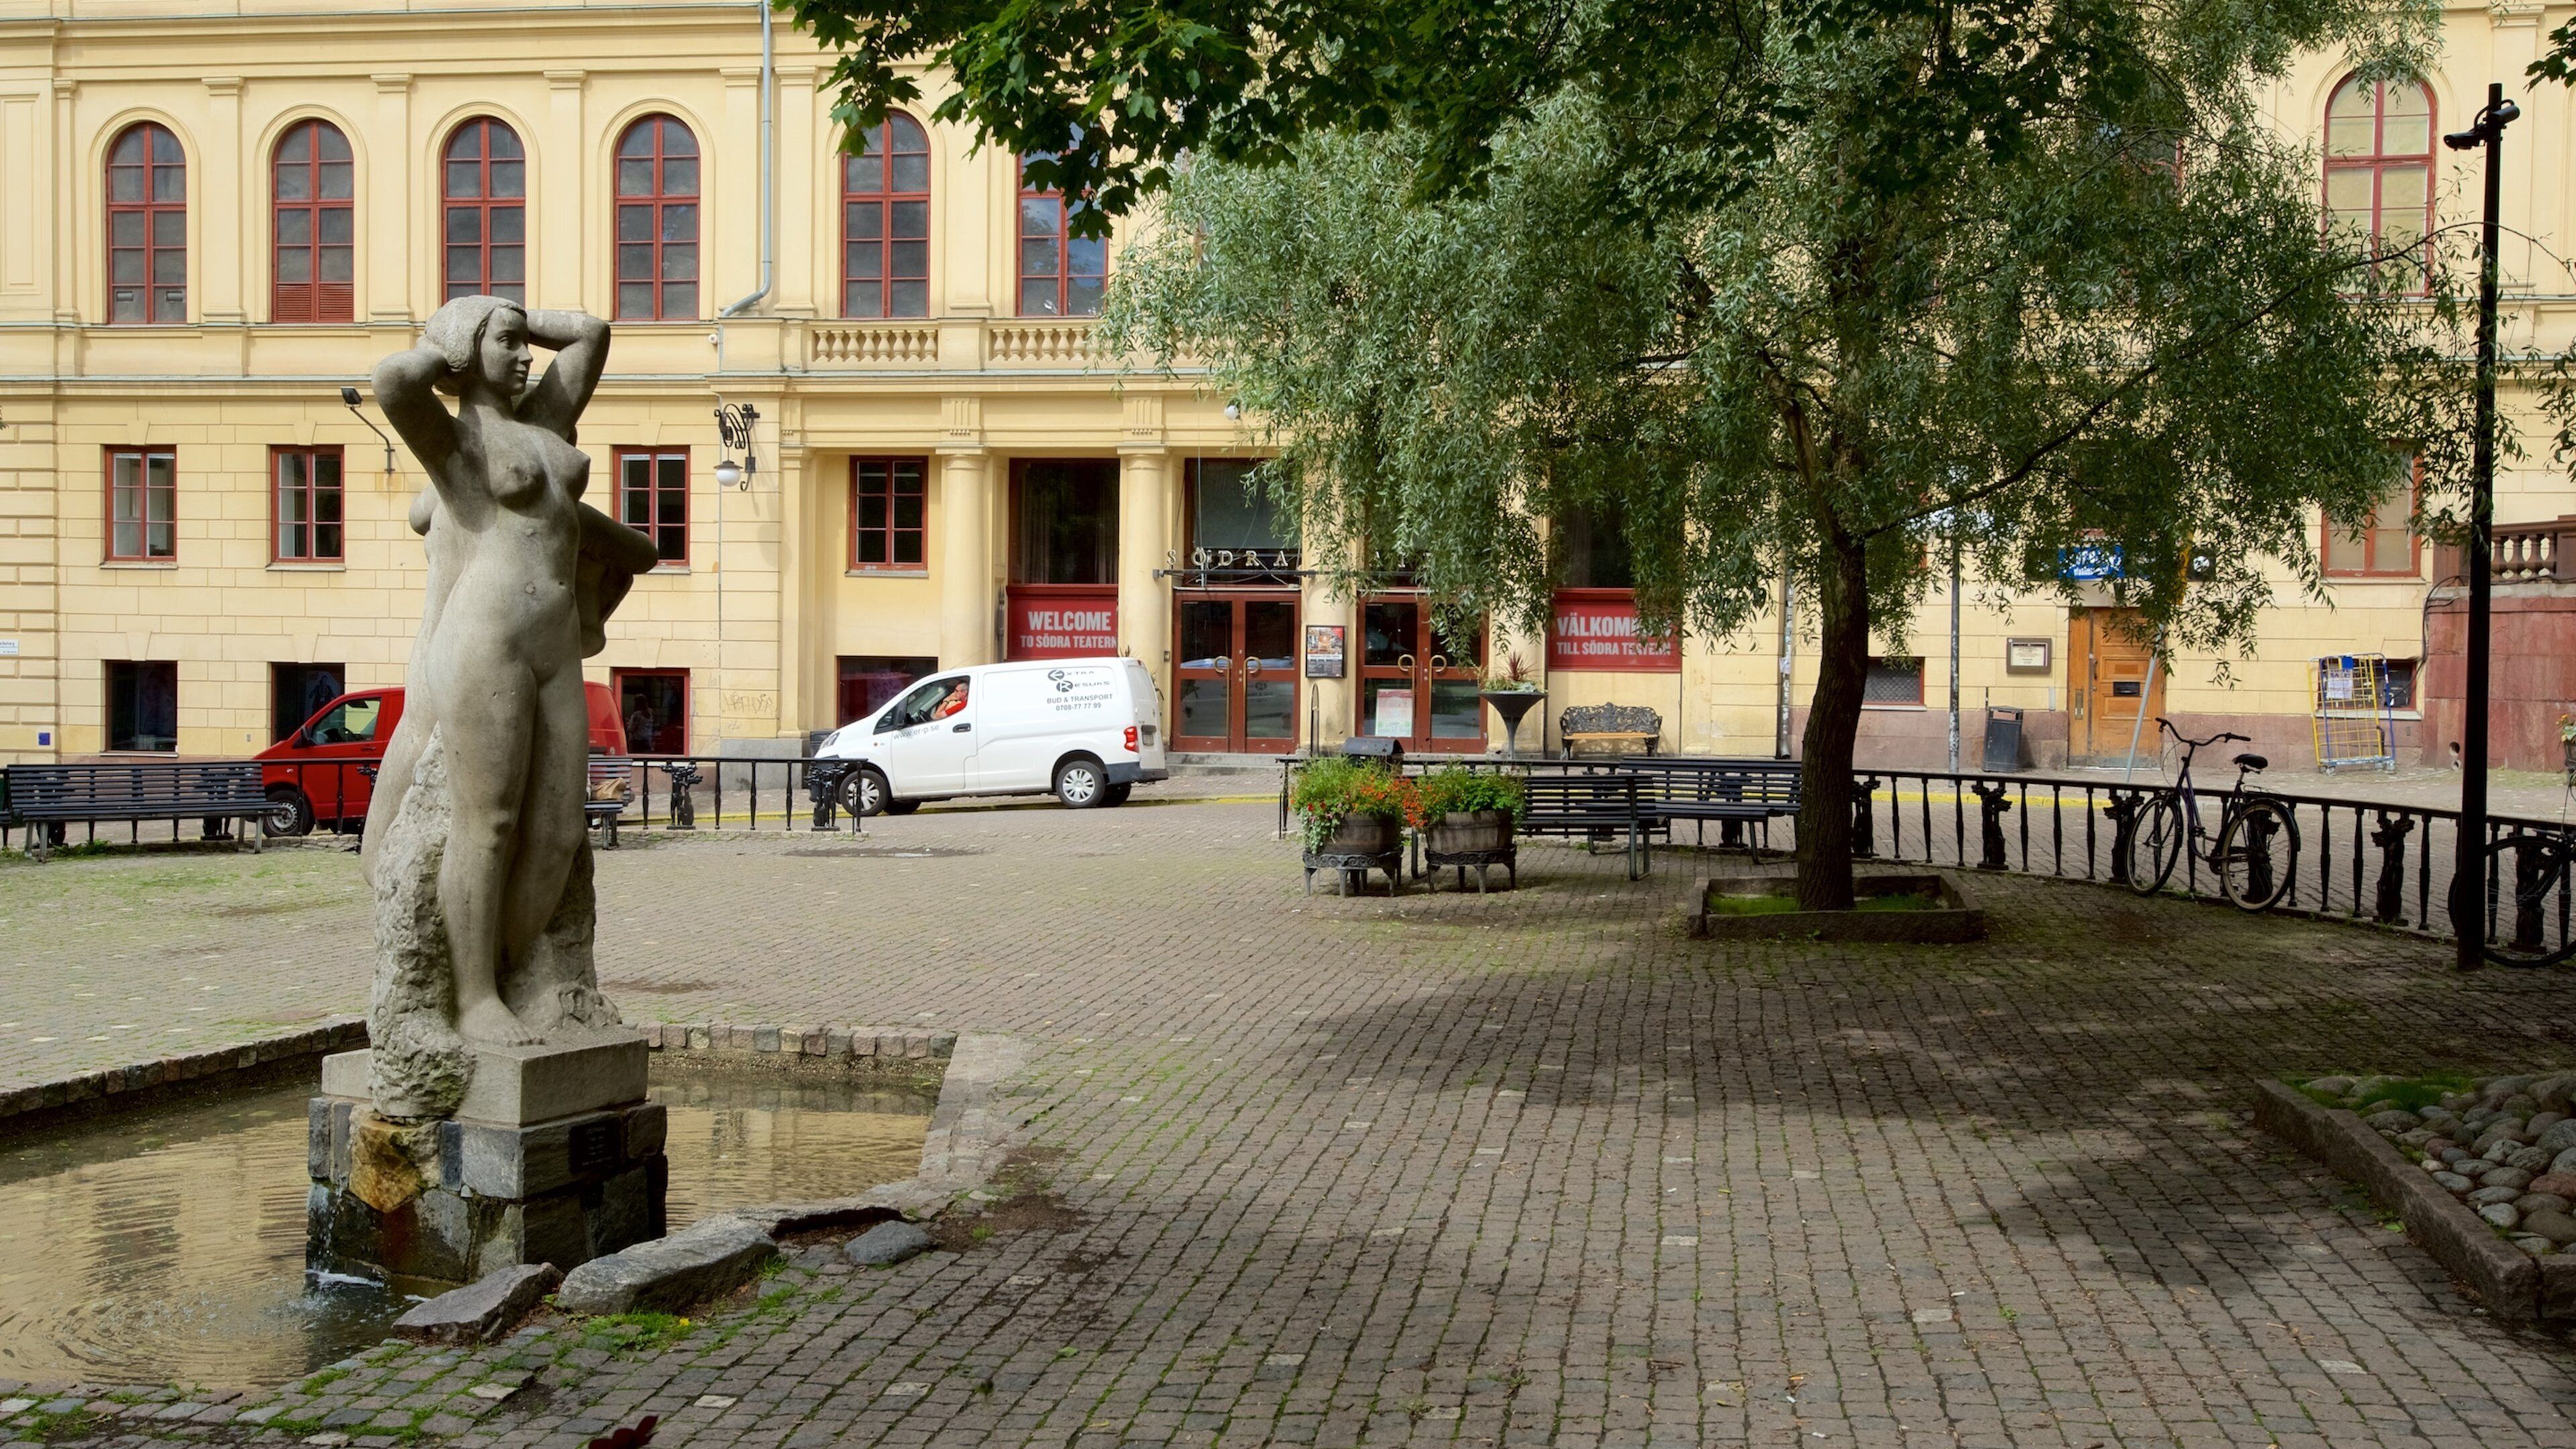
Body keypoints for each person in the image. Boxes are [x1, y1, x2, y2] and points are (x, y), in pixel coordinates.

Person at [362, 295, 660, 1048]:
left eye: (528, 342)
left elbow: (592, 331)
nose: (527, 354)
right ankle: (472, 996)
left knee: (559, 828)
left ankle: (513, 962)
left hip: (555, 644)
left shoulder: (544, 427)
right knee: (487, 825)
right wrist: (451, 340)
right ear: (467, 353)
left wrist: (513, 311)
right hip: (485, 641)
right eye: (508, 344)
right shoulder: (459, 446)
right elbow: (396, 381)